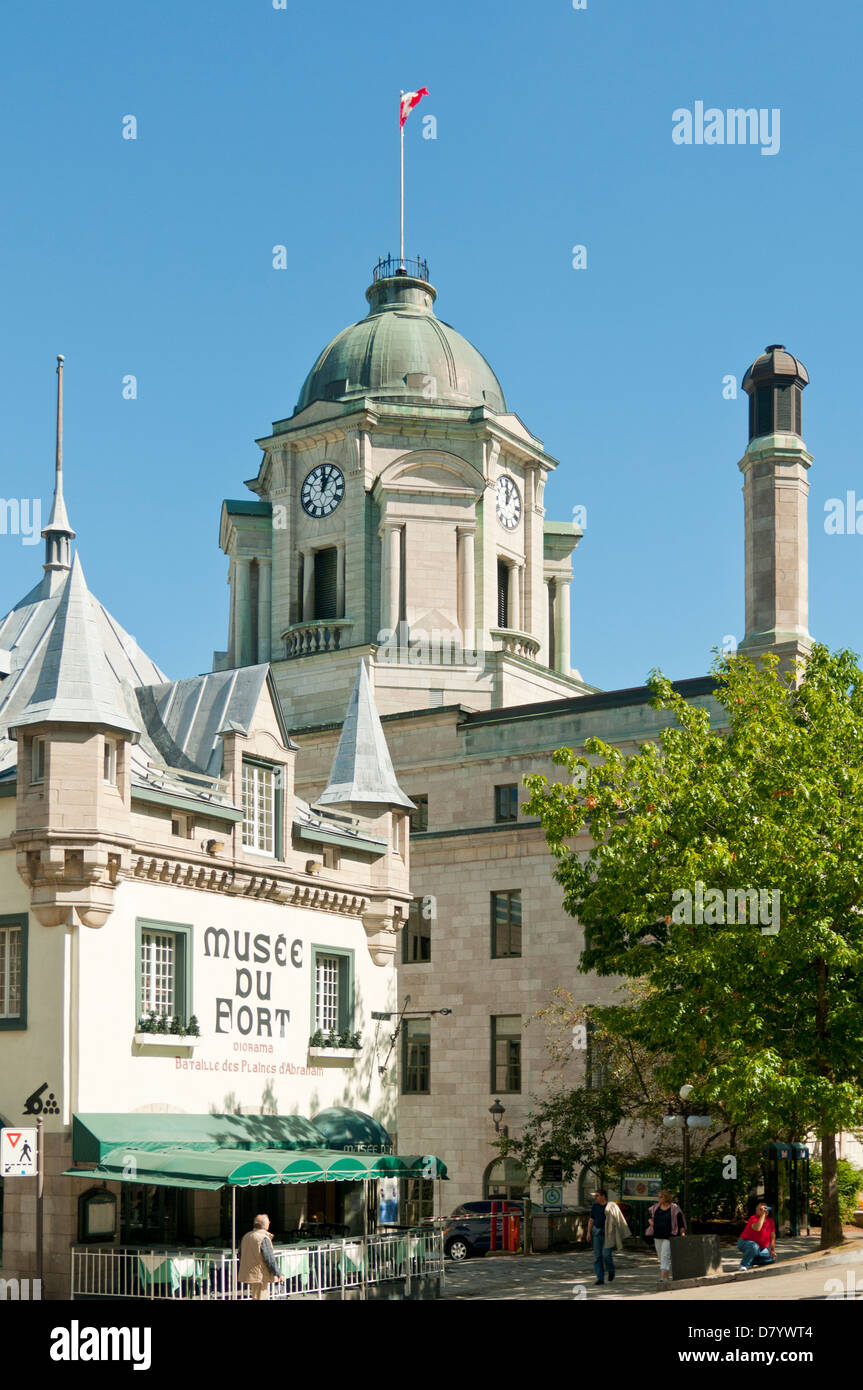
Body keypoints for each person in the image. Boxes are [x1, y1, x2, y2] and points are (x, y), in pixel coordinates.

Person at [238, 1213, 284, 1300]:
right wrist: (278, 1273)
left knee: (256, 1296)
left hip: (251, 1272)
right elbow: (269, 1259)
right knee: (261, 1296)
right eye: (268, 1222)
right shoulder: (263, 1238)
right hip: (260, 1274)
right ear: (265, 1225)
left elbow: (240, 1254)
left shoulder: (246, 1236)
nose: (269, 1223)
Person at [645, 1190, 686, 1284]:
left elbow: (680, 1223)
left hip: (670, 1235)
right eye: (658, 1197)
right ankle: (667, 1276)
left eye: (661, 1197)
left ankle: (662, 1277)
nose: (659, 1199)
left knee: (665, 1255)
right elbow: (648, 1214)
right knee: (661, 1256)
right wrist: (650, 1221)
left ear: (666, 1198)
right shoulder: (656, 1207)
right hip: (657, 1235)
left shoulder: (674, 1208)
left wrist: (682, 1234)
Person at [587, 1190, 615, 1285]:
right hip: (597, 1233)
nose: (595, 1198)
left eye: (597, 1196)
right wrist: (588, 1232)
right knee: (597, 1257)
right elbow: (591, 1219)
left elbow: (617, 1220)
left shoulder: (610, 1206)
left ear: (603, 1196)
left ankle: (611, 1271)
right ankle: (600, 1278)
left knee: (606, 1255)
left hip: (608, 1234)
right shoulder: (595, 1206)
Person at [737, 1203, 776, 1270]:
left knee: (771, 1259)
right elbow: (758, 1228)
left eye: (765, 1208)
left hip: (761, 1248)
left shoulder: (770, 1221)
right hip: (744, 1243)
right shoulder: (753, 1218)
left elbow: (772, 1236)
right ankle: (743, 1265)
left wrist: (772, 1250)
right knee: (754, 1246)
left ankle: (750, 1261)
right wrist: (763, 1215)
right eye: (761, 1209)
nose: (764, 1210)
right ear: (757, 1211)